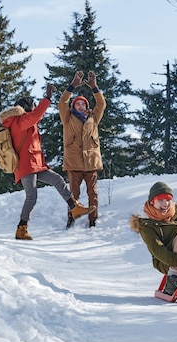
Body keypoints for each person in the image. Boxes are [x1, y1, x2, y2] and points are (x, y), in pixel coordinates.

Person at [0, 83, 94, 240]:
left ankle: (74, 207)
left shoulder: (25, 121)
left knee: (57, 179)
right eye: (33, 105)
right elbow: (37, 115)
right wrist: (47, 97)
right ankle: (21, 228)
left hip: (35, 164)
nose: (35, 108)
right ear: (27, 107)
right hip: (25, 166)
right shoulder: (20, 121)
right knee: (31, 197)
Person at [59, 70, 107, 228]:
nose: (80, 106)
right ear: (74, 106)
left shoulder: (94, 117)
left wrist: (95, 88)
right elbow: (62, 103)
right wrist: (73, 85)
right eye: (77, 104)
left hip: (91, 162)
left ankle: (93, 220)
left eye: (83, 104)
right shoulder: (67, 117)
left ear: (87, 106)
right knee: (74, 194)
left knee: (93, 193)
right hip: (74, 162)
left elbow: (101, 103)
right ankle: (71, 217)